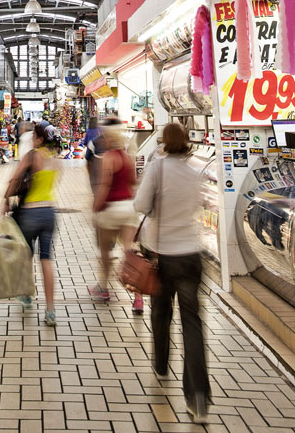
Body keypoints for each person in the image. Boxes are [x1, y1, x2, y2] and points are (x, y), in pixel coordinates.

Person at [134, 123, 211, 424]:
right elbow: (199, 204)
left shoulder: (158, 167)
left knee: (160, 312)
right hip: (191, 256)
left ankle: (161, 364)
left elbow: (141, 205)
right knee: (192, 324)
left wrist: (155, 208)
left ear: (164, 142)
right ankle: (199, 398)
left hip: (163, 254)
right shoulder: (196, 170)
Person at [2, 122, 60, 327]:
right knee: (46, 259)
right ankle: (50, 310)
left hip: (30, 212)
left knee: (27, 255)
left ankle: (27, 295)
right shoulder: (55, 158)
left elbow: (16, 178)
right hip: (49, 212)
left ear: (40, 138)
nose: (32, 140)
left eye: (35, 136)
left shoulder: (32, 156)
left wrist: (5, 199)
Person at [87, 123, 141, 311]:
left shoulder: (108, 157)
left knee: (106, 251)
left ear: (110, 140)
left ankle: (103, 288)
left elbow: (105, 184)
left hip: (111, 209)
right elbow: (134, 182)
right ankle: (138, 295)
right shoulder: (127, 158)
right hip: (129, 208)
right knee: (129, 251)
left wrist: (97, 205)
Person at [81, 116, 100, 185]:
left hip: (90, 152)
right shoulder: (100, 129)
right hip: (99, 152)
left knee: (89, 166)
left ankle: (92, 181)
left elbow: (85, 143)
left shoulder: (89, 131)